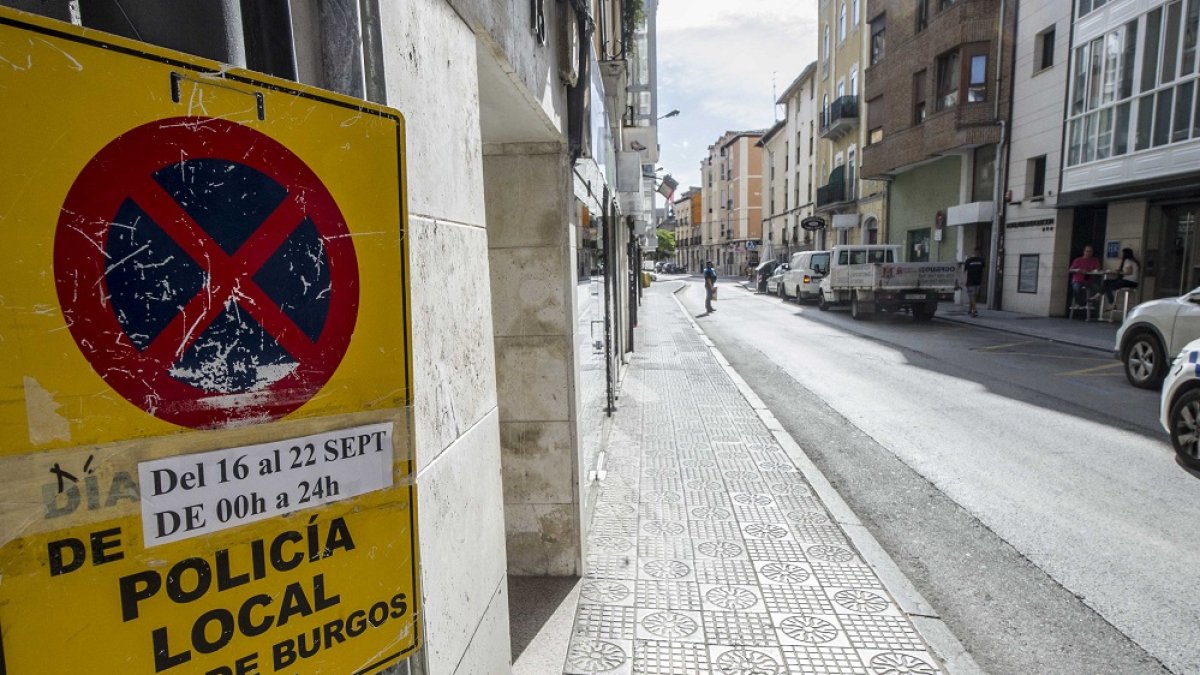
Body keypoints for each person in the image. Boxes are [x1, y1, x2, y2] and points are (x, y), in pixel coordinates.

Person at [962, 249, 985, 317]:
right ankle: (970, 310)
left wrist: (963, 281)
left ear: (973, 253)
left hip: (970, 281)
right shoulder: (981, 260)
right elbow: (983, 268)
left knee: (972, 296)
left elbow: (964, 270)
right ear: (979, 253)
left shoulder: (968, 260)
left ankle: (974, 310)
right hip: (978, 281)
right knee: (974, 296)